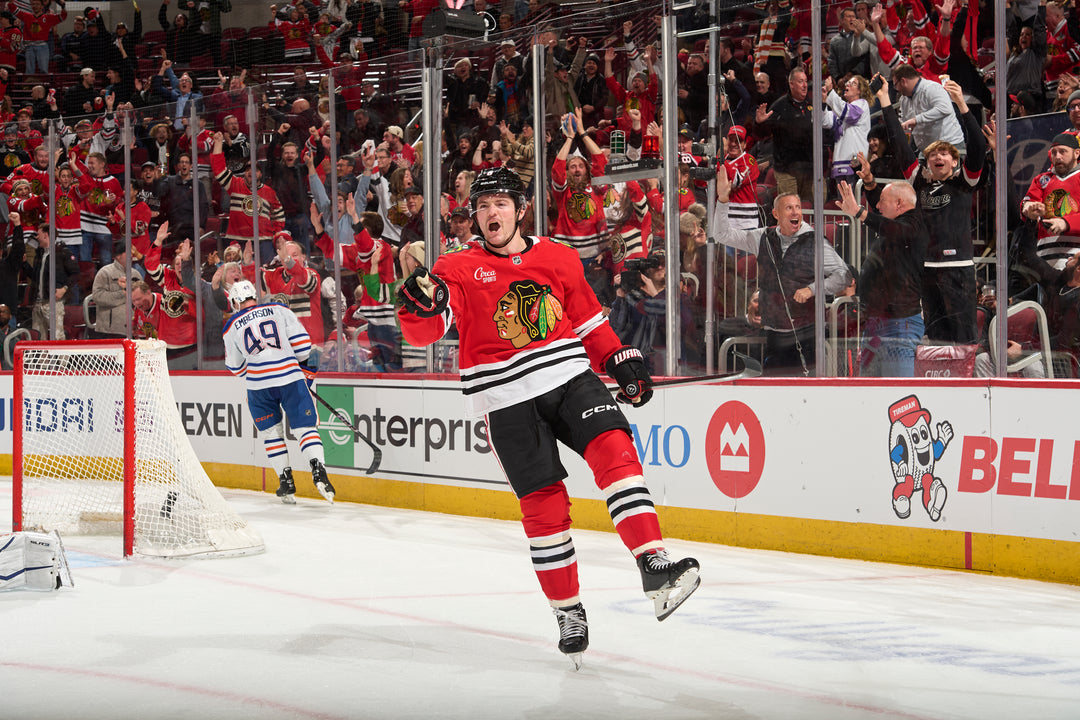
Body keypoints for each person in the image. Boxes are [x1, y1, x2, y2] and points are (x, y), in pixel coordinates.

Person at [395, 166, 701, 667]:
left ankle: (654, 563)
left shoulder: (558, 257)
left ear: (521, 209)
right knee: (545, 506)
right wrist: (413, 309)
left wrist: (620, 361)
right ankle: (568, 609)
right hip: (503, 397)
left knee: (616, 450)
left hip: (568, 376)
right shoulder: (455, 268)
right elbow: (425, 333)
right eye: (483, 205)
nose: (491, 213)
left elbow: (590, 324)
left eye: (500, 203)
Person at [871, 75, 985, 344]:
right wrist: (886, 99)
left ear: (955, 161)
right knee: (935, 340)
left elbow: (978, 146)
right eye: (933, 154)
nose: (938, 157)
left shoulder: (964, 182)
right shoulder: (919, 182)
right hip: (927, 270)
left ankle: (968, 386)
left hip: (958, 268)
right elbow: (899, 143)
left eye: (945, 153)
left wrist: (961, 105)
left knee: (964, 340)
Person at [713, 176, 852, 376]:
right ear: (776, 214)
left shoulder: (815, 241)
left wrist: (812, 289)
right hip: (774, 335)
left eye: (798, 207)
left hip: (809, 334)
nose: (795, 212)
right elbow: (722, 235)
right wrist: (723, 200)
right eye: (789, 208)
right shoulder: (762, 237)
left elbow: (843, 275)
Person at [223, 279, 335, 504]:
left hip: (258, 386)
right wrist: (305, 374)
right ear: (255, 294)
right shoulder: (279, 309)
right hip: (290, 378)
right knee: (305, 428)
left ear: (235, 301)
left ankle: (287, 482)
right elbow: (304, 348)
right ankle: (319, 472)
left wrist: (256, 375)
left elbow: (236, 367)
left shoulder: (231, 326)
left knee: (271, 433)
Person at [837, 179, 927, 377]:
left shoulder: (915, 224)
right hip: (875, 324)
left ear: (899, 203)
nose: (877, 206)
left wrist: (860, 213)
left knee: (897, 396)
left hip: (898, 324)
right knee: (868, 397)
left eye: (882, 201)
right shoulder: (891, 228)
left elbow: (895, 230)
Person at [1021, 132, 1080, 270]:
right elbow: (1028, 203)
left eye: (1063, 152)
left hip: (1076, 259)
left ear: (1077, 153)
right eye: (1054, 152)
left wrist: (1066, 222)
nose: (1057, 156)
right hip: (1044, 261)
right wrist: (1029, 208)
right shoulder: (1042, 180)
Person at [755, 67, 814, 203]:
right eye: (800, 81)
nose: (805, 85)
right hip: (787, 170)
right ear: (791, 84)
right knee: (790, 208)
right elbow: (763, 135)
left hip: (810, 169)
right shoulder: (779, 106)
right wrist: (759, 123)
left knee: (811, 210)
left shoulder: (813, 104)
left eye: (805, 81)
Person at [91, 245, 142, 339]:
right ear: (118, 256)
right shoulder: (105, 272)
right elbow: (98, 297)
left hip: (134, 330)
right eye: (128, 253)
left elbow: (142, 300)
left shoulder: (136, 274)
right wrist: (123, 294)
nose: (132, 255)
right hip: (109, 331)